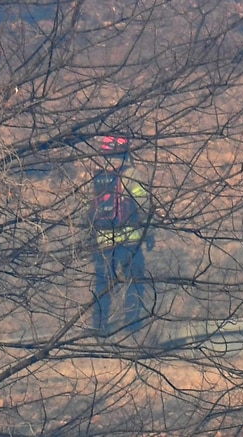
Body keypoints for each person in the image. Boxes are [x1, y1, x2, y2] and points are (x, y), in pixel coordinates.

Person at [89, 135, 153, 338]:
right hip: (130, 241)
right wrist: (149, 235)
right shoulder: (131, 174)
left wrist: (89, 239)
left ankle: (99, 328)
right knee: (134, 281)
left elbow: (86, 211)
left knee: (102, 285)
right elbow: (143, 206)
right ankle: (132, 327)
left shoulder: (95, 178)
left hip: (102, 242)